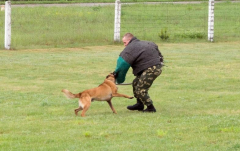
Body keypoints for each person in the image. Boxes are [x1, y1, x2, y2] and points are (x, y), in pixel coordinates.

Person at [113, 33, 164, 112]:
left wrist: (118, 76)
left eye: (125, 43)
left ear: (129, 40)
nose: (124, 45)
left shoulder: (130, 48)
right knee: (135, 83)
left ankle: (151, 108)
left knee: (140, 89)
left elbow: (122, 64)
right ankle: (139, 104)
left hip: (151, 68)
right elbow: (158, 53)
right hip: (155, 66)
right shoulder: (146, 43)